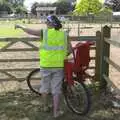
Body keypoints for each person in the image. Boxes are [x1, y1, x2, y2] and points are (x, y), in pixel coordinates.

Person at [15, 15, 72, 118]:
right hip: (59, 66)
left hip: (45, 65)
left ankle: (45, 107)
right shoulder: (64, 34)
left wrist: (19, 26)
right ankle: (56, 112)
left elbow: (29, 31)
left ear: (50, 23)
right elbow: (70, 50)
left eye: (46, 22)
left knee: (45, 87)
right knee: (56, 90)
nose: (45, 23)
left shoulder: (44, 33)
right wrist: (62, 56)